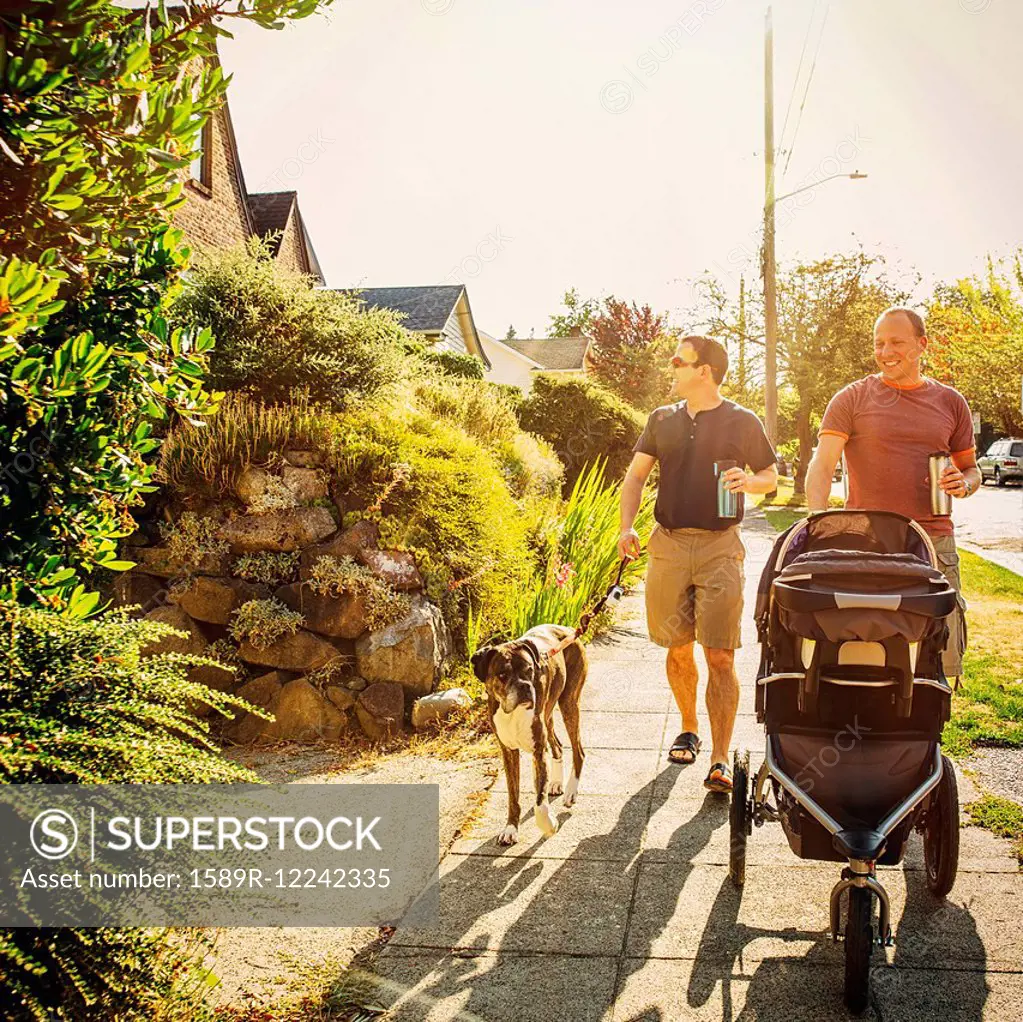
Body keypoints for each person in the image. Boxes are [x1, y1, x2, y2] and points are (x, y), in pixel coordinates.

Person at [617, 335, 778, 793]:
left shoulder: (742, 420)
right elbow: (636, 476)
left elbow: (770, 475)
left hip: (719, 547)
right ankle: (688, 726)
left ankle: (721, 758)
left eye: (677, 361)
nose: (671, 369)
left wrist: (750, 481)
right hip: (667, 545)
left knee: (721, 654)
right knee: (678, 646)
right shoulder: (661, 419)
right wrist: (626, 528)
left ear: (703, 370)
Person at [805, 306, 980, 684]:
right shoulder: (852, 398)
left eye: (896, 342)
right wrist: (816, 525)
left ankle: (928, 734)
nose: (886, 352)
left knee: (938, 649)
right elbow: (821, 467)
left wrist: (963, 483)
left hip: (934, 542)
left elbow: (972, 469)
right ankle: (874, 727)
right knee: (873, 647)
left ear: (922, 345)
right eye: (879, 343)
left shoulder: (952, 403)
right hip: (869, 543)